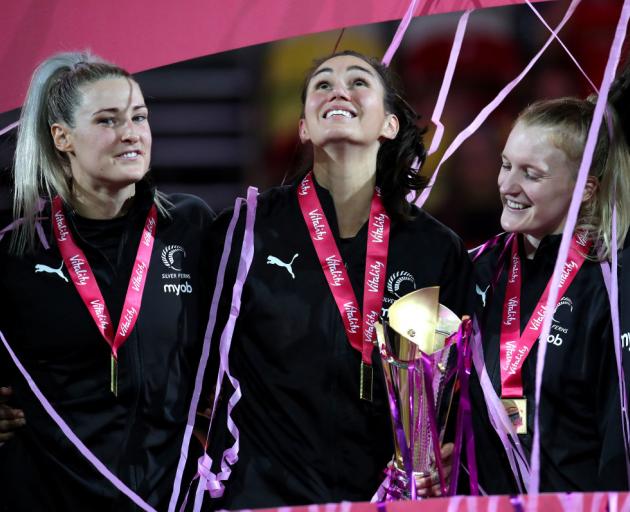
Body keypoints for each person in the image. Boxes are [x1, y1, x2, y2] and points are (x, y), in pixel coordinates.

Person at [206, 50, 473, 508]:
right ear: (305, 127)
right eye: (322, 84)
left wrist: (452, 450)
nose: (338, 90)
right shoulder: (245, 229)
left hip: (386, 497)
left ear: (389, 124)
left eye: (358, 81)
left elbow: (457, 385)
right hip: (264, 497)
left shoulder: (434, 248)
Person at [0, 52, 214, 511]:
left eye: (139, 117)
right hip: (46, 494)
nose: (131, 133)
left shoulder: (192, 226)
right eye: (107, 120)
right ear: (62, 137)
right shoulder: (16, 246)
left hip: (167, 497)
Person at [471, 97, 630, 493]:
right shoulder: (479, 269)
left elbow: (619, 440)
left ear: (586, 189)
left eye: (532, 174)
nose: (508, 185)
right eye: (506, 165)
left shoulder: (610, 284)